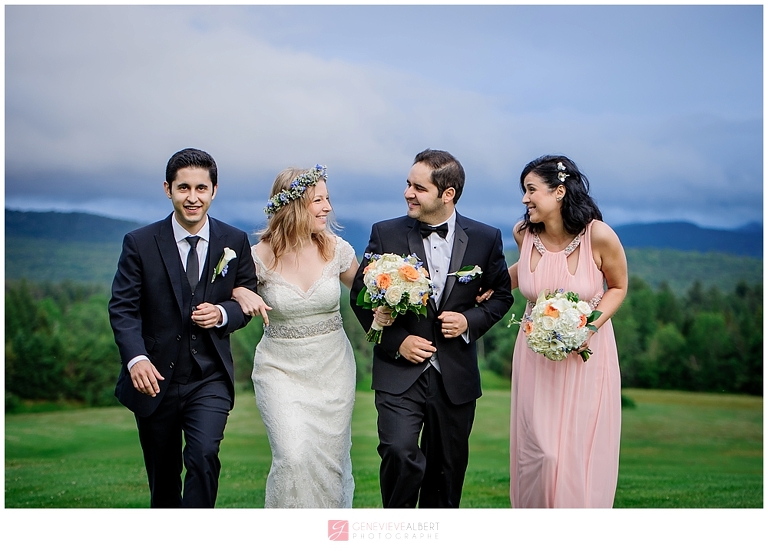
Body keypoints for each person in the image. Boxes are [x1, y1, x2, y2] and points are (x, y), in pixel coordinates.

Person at [350, 148, 514, 508]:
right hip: (398, 372)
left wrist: (469, 321)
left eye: (419, 188)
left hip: (455, 375)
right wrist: (397, 341)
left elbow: (502, 296)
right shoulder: (385, 233)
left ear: (447, 194)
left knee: (446, 472)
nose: (408, 193)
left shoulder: (485, 238)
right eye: (408, 184)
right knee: (398, 451)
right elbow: (360, 296)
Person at [108, 148, 258, 508]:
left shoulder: (234, 241)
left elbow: (246, 300)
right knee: (163, 479)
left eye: (201, 188)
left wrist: (222, 314)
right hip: (154, 378)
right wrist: (136, 359)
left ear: (214, 190)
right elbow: (123, 309)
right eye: (183, 188)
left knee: (203, 456)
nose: (193, 197)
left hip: (209, 377)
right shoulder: (140, 243)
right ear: (168, 189)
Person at [231, 165, 359, 508]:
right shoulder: (257, 257)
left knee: (329, 462)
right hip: (280, 369)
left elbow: (367, 295)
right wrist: (239, 292)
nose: (328, 207)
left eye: (327, 199)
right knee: (293, 456)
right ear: (293, 205)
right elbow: (225, 297)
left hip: (333, 370)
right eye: (318, 200)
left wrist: (393, 300)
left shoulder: (337, 250)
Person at [507, 154, 627, 508]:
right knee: (542, 452)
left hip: (586, 357)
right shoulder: (523, 234)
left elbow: (618, 287)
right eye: (524, 191)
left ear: (558, 192)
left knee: (575, 449)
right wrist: (479, 289)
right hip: (534, 357)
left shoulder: (598, 235)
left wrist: (587, 327)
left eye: (531, 190)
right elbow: (523, 273)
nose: (525, 199)